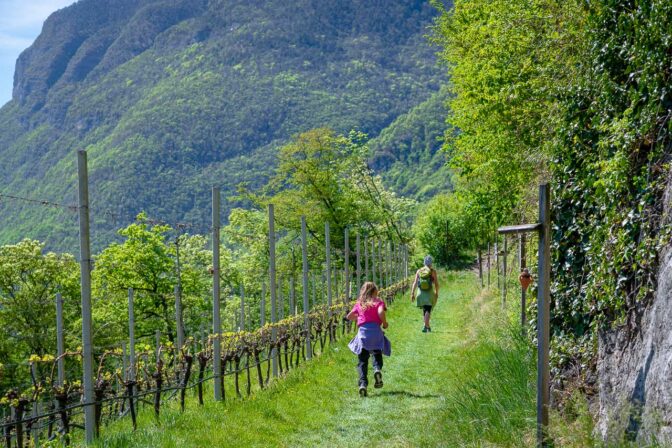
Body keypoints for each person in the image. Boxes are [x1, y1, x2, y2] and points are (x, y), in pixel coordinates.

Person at [347, 282, 391, 397]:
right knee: (377, 352)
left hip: (363, 334)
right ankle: (376, 369)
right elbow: (381, 312)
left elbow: (349, 316)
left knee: (362, 361)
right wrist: (385, 323)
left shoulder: (360, 303)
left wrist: (360, 317)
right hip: (376, 332)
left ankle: (362, 384)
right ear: (374, 291)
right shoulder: (378, 302)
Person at [411, 255, 439, 333]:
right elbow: (436, 283)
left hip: (420, 293)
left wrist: (412, 293)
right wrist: (437, 292)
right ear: (431, 263)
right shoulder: (432, 271)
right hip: (429, 293)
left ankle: (426, 326)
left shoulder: (419, 271)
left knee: (425, 309)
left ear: (424, 262)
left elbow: (415, 283)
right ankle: (426, 325)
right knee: (428, 309)